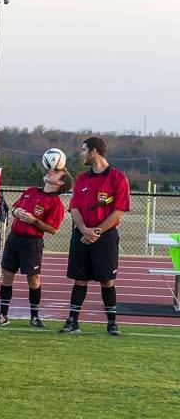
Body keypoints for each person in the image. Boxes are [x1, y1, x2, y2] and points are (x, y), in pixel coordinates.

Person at [62, 136, 131, 336]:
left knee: (107, 280)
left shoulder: (118, 178)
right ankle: (72, 321)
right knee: (79, 279)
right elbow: (74, 207)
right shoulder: (82, 178)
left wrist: (96, 232)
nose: (81, 153)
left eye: (84, 150)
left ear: (94, 151)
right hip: (81, 235)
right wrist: (84, 230)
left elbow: (118, 211)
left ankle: (111, 323)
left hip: (105, 237)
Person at [0, 167, 72, 327]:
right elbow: (14, 208)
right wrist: (16, 212)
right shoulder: (30, 191)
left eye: (56, 172)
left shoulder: (56, 203)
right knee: (7, 274)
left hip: (32, 242)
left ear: (60, 182)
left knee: (33, 278)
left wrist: (34, 221)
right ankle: (3, 315)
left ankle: (34, 316)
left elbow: (53, 229)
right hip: (14, 238)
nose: (51, 171)